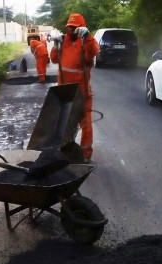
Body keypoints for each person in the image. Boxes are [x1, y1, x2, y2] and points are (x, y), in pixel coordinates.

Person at [50, 13, 99, 163]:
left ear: (81, 29)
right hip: (65, 93)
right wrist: (55, 46)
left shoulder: (86, 42)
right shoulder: (63, 41)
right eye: (69, 27)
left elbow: (93, 53)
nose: (71, 30)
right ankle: (66, 151)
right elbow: (53, 59)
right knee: (65, 126)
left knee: (86, 125)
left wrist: (88, 36)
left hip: (82, 93)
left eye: (75, 28)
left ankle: (85, 154)